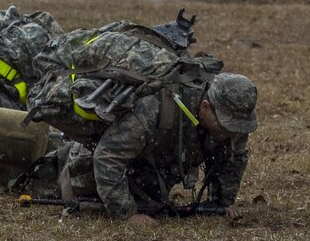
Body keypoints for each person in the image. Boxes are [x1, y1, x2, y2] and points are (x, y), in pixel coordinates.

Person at [60, 73, 258, 226]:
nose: (233, 132)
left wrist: (222, 203)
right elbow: (107, 156)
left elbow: (235, 157)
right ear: (205, 107)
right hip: (93, 166)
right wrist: (126, 214)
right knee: (51, 177)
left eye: (237, 127)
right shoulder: (154, 106)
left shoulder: (232, 120)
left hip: (147, 172)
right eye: (226, 125)